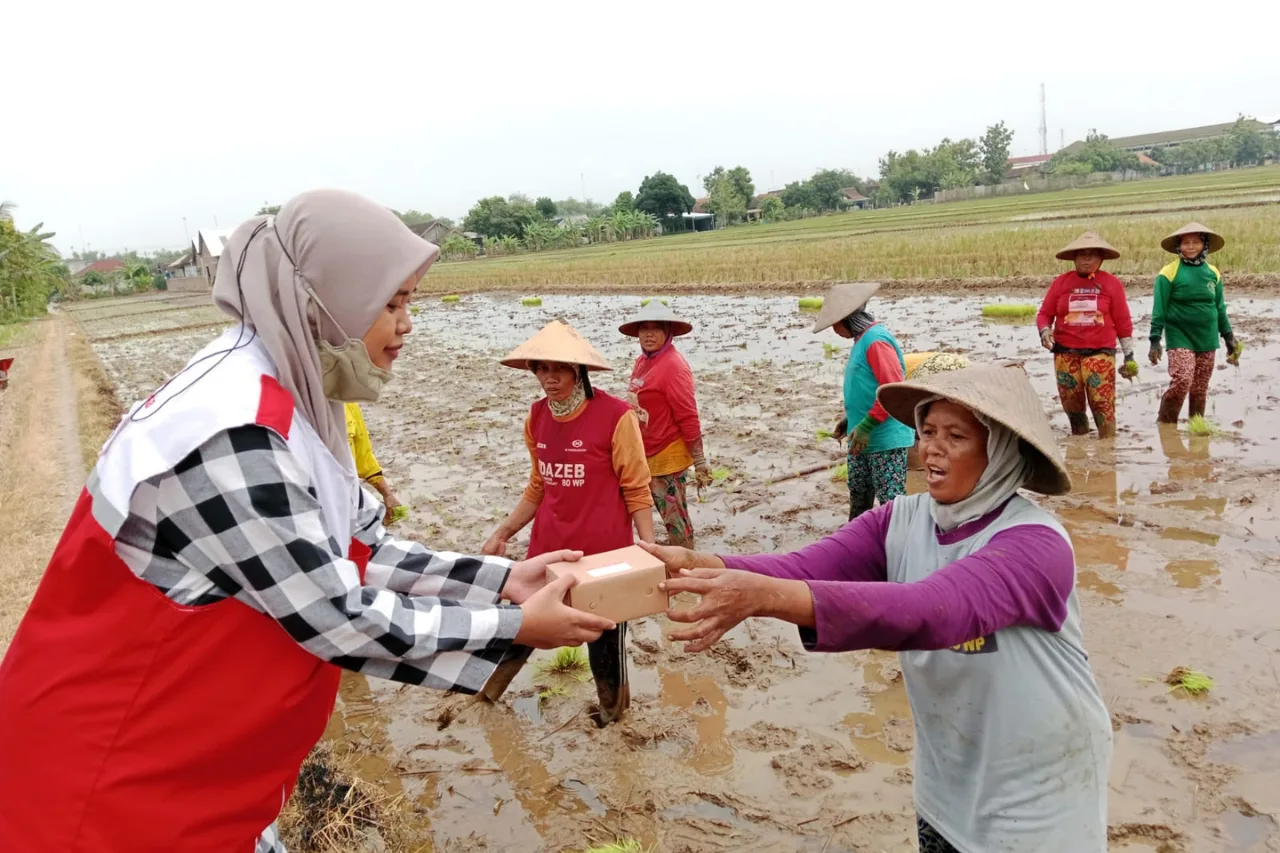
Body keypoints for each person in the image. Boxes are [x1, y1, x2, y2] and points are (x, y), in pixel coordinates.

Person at [0, 191, 613, 852]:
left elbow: (359, 548)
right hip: (109, 787)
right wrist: (516, 622)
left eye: (410, 301)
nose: (407, 324)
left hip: (196, 768)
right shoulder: (233, 432)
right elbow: (336, 617)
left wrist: (504, 579)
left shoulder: (295, 401)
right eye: (392, 301)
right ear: (325, 300)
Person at [644, 364, 1112, 853]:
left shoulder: (1035, 545)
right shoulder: (903, 519)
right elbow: (806, 566)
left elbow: (932, 610)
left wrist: (762, 598)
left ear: (1001, 454)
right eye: (928, 430)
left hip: (1041, 791)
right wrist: (703, 563)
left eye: (956, 436)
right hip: (947, 780)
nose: (932, 447)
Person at [482, 320, 655, 724]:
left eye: (559, 369)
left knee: (606, 641)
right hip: (549, 549)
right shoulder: (537, 417)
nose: (549, 379)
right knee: (520, 625)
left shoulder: (616, 416)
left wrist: (648, 551)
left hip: (604, 556)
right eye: (541, 369)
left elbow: (637, 488)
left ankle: (613, 715)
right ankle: (484, 697)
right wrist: (503, 532)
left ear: (579, 370)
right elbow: (539, 485)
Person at [816, 282, 915, 519]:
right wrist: (850, 419)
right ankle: (856, 546)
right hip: (861, 438)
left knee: (892, 504)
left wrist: (867, 425)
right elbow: (868, 388)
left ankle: (897, 551)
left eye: (834, 324)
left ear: (846, 318)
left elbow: (893, 390)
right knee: (859, 497)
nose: (834, 330)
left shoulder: (875, 341)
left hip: (884, 441)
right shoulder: (862, 341)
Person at [619, 299, 712, 548]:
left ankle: (687, 566)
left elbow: (688, 416)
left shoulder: (674, 367)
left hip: (667, 455)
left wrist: (700, 461)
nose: (649, 334)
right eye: (643, 328)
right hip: (645, 449)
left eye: (656, 328)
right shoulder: (644, 361)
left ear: (668, 332)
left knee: (675, 518)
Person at [1036, 231, 1138, 438]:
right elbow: (1045, 314)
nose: (1086, 259)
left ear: (1101, 258)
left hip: (1099, 353)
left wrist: (1129, 355)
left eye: (1092, 255)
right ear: (1074, 258)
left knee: (1101, 401)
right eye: (1082, 255)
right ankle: (1079, 444)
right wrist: (1045, 330)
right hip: (1065, 352)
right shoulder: (1061, 283)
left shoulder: (1111, 284)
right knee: (1071, 403)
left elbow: (1123, 321)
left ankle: (1107, 448)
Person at [1149, 221, 1240, 424]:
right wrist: (1155, 339)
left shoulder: (1213, 273)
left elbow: (1220, 308)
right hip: (1179, 333)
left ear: (1204, 245)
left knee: (1200, 387)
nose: (1190, 247)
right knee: (1182, 379)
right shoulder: (1169, 273)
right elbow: (1159, 309)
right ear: (1178, 247)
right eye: (1185, 243)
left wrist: (1229, 337)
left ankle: (1196, 427)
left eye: (1196, 242)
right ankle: (1166, 423)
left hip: (1207, 336)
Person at [345, 401, 402, 525]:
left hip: (348, 499)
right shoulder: (298, 413)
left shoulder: (348, 405)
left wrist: (387, 494)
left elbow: (364, 458)